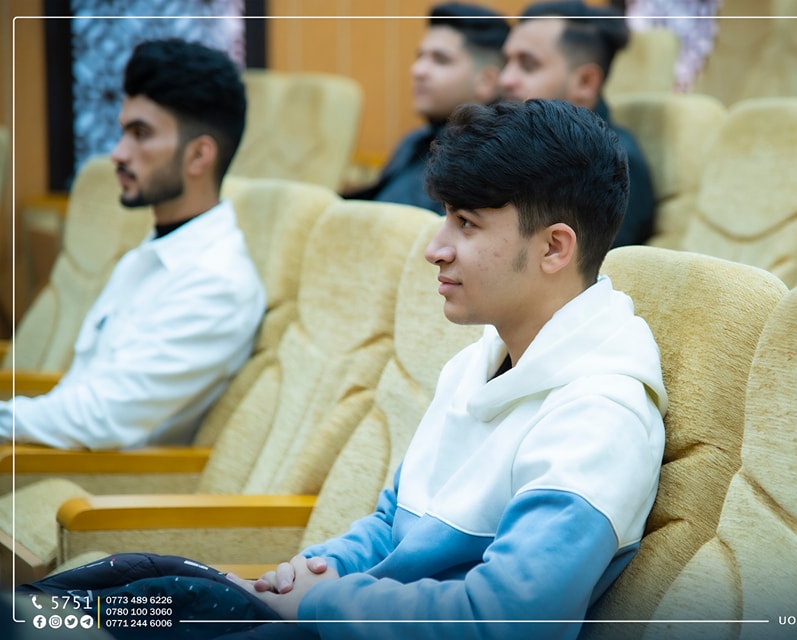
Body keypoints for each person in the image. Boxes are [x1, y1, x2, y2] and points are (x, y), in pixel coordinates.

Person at [19, 100, 667, 640]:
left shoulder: (598, 417)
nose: (435, 248)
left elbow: (503, 622)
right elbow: (391, 523)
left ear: (554, 247)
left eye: (466, 224)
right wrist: (312, 570)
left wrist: (325, 602)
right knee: (133, 584)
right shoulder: (484, 360)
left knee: (116, 617)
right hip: (347, 618)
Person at [0, 39, 265, 450]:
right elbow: (80, 391)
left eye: (141, 134)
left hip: (103, 483)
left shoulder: (218, 282)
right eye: (123, 132)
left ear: (199, 156)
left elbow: (100, 418)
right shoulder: (151, 251)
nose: (118, 153)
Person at [499, 0, 658, 247]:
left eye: (528, 66)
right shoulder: (509, 142)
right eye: (505, 63)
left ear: (586, 82)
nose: (505, 79)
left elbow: (579, 267)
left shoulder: (613, 167)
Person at [343, 2, 509, 214]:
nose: (418, 70)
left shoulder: (489, 160)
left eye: (440, 60)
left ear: (486, 81)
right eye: (420, 57)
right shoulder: (415, 141)